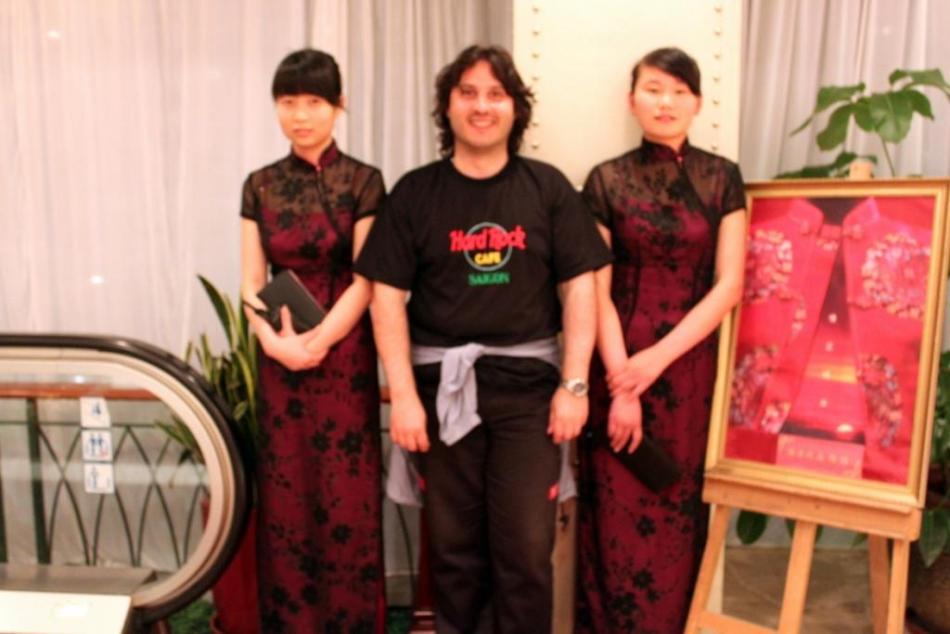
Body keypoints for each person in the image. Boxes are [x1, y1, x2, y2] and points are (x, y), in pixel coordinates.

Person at [355, 45, 611, 634]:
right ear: (446, 107)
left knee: (526, 550)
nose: (482, 106)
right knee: (453, 553)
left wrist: (574, 385)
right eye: (467, 93)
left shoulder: (547, 189)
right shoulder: (415, 193)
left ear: (516, 109)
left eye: (496, 94)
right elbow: (385, 298)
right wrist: (404, 396)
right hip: (441, 394)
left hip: (530, 398)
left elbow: (580, 288)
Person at [575, 47, 747, 633]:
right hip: (614, 362)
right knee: (613, 516)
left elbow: (729, 286)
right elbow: (594, 290)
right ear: (632, 101)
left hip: (689, 373)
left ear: (697, 102)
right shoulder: (605, 179)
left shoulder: (722, 177)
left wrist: (654, 362)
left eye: (678, 91)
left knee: (679, 512)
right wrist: (623, 381)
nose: (665, 102)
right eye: (653, 89)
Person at [240, 49, 386, 633]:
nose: (300, 115)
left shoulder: (363, 181)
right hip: (279, 359)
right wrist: (273, 343)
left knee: (346, 498)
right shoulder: (259, 185)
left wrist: (321, 340)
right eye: (288, 102)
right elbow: (250, 280)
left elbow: (367, 279)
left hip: (344, 358)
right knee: (287, 502)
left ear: (338, 105)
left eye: (314, 102)